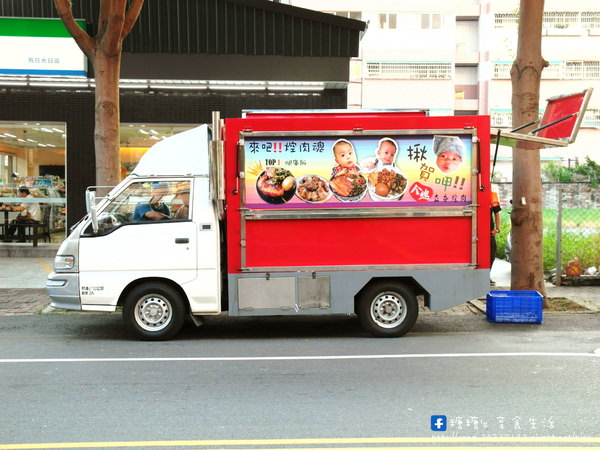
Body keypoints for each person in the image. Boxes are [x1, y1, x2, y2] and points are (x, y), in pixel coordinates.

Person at [490, 191, 502, 286]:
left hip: (489, 232)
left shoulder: (492, 195)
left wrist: (497, 229)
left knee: (491, 253)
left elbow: (497, 213)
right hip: (476, 230)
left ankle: (486, 274)